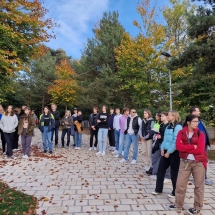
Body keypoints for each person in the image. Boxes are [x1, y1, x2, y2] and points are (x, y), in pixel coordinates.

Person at [169, 114, 207, 215]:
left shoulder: (200, 134)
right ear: (188, 122)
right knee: (180, 184)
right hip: (185, 162)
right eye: (194, 121)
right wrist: (192, 147)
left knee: (199, 186)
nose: (196, 123)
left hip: (198, 162)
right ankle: (178, 204)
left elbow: (200, 150)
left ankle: (197, 207)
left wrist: (186, 147)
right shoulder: (181, 133)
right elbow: (178, 147)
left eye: (197, 121)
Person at [152, 111, 182, 198]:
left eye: (169, 115)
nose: (167, 116)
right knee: (160, 170)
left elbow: (175, 141)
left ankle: (175, 191)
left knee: (174, 172)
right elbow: (165, 139)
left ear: (174, 116)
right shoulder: (168, 126)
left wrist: (169, 152)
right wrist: (162, 148)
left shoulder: (178, 126)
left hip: (174, 152)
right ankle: (158, 189)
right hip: (165, 151)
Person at [190, 106, 213, 186]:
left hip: (204, 145)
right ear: (193, 112)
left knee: (204, 161)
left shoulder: (201, 121)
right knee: (198, 162)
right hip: (197, 146)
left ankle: (203, 177)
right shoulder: (188, 122)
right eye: (198, 111)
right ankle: (200, 178)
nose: (199, 112)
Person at [150, 112, 171, 183]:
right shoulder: (162, 125)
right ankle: (156, 172)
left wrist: (161, 136)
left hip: (166, 145)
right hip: (159, 144)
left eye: (162, 116)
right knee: (154, 157)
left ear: (166, 117)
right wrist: (157, 135)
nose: (161, 117)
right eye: (160, 116)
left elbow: (169, 136)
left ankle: (167, 176)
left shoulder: (169, 125)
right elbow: (160, 133)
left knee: (166, 160)